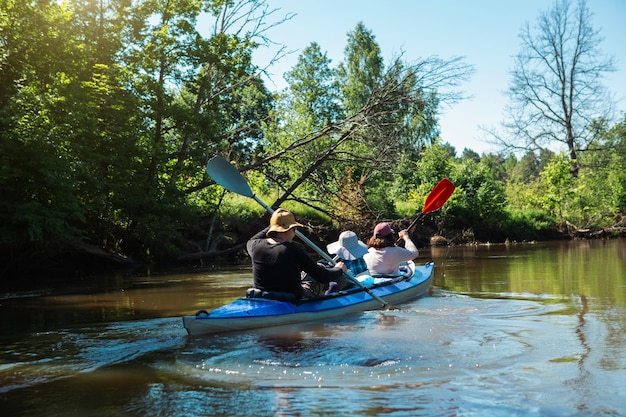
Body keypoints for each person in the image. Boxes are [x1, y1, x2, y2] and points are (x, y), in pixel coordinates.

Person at [246, 208, 347, 300]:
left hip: (261, 296)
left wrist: (274, 225)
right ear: (288, 230)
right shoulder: (294, 250)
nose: (294, 233)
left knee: (313, 269)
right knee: (322, 268)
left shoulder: (255, 246)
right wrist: (339, 269)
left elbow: (252, 239)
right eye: (294, 229)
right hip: (291, 299)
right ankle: (330, 292)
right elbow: (323, 276)